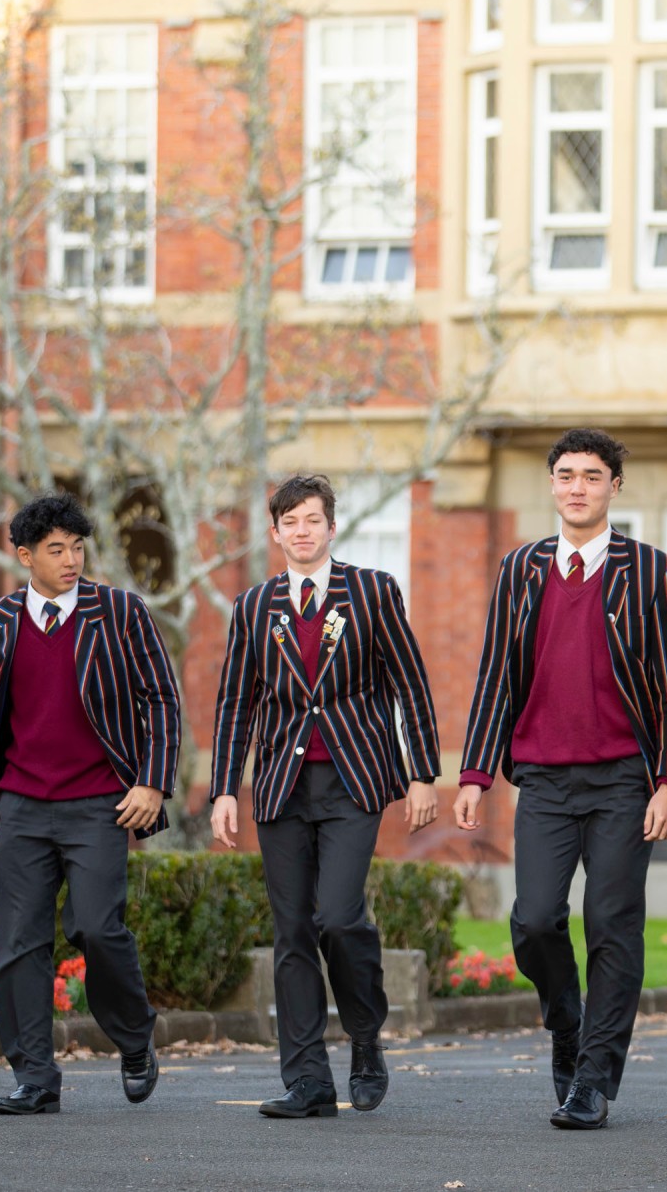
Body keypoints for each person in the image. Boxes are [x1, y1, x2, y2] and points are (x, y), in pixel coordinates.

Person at [454, 428, 667, 1131]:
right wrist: (474, 771)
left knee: (613, 925)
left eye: (591, 475)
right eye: (565, 475)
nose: (577, 486)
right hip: (545, 781)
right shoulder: (520, 569)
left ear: (615, 485)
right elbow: (496, 671)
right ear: (551, 485)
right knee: (533, 920)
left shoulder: (652, 570)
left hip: (623, 779)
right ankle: (568, 1021)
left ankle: (593, 1078)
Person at [210, 474, 442, 1119]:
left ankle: (365, 1038)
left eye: (314, 520)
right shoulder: (254, 607)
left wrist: (423, 771)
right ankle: (308, 1080)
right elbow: (236, 703)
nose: (303, 531)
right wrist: (225, 788)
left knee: (339, 918)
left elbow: (410, 683)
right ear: (276, 532)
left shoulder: (370, 590)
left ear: (331, 527)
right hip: (282, 786)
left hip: (354, 777)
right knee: (293, 932)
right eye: (291, 522)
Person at [0, 493, 178, 1117]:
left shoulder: (119, 611)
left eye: (78, 548)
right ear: (25, 555)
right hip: (22, 804)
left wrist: (152, 781)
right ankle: (35, 1076)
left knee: (97, 928)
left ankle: (135, 1039)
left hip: (100, 803)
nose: (72, 560)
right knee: (19, 944)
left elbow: (161, 697)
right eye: (57, 549)